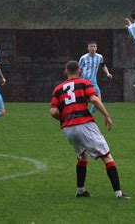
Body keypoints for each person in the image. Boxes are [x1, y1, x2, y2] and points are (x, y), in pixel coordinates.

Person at [50, 61, 130, 200]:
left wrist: (64, 119)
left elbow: (53, 112)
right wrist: (107, 115)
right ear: (80, 71)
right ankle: (119, 193)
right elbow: (94, 100)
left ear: (65, 72)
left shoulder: (58, 88)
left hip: (68, 128)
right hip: (85, 124)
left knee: (83, 156)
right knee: (107, 156)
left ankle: (80, 191)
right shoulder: (84, 83)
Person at [79, 40, 113, 114]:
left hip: (93, 82)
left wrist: (107, 73)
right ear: (88, 48)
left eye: (94, 46)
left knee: (98, 100)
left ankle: (91, 114)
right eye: (91, 46)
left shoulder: (99, 57)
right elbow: (79, 69)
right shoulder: (83, 58)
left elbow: (103, 65)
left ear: (96, 48)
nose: (93, 48)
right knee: (82, 101)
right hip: (83, 82)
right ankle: (81, 114)